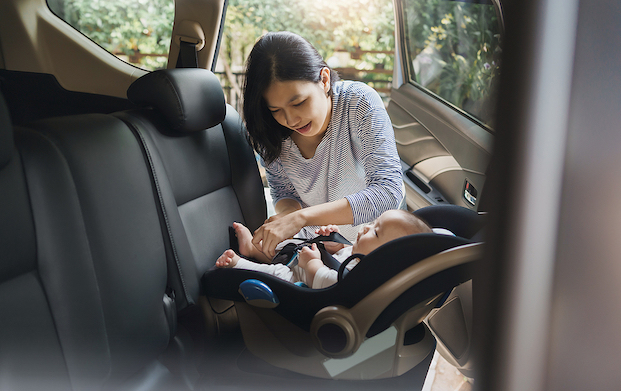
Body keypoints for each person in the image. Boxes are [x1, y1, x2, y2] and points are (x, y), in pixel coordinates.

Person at [242, 31, 405, 259]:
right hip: (317, 251)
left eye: (298, 103)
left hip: (377, 250)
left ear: (324, 80)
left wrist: (301, 218)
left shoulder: (359, 103)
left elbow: (388, 191)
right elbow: (284, 192)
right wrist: (288, 216)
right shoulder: (271, 131)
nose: (290, 120)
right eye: (276, 110)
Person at [216, 209, 432, 289]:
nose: (367, 226)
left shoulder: (362, 281)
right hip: (304, 261)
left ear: (385, 261)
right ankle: (255, 251)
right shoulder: (362, 256)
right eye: (375, 222)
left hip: (304, 285)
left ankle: (239, 264)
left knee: (281, 275)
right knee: (294, 244)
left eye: (375, 232)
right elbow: (340, 258)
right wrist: (334, 246)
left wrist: (312, 264)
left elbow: (325, 281)